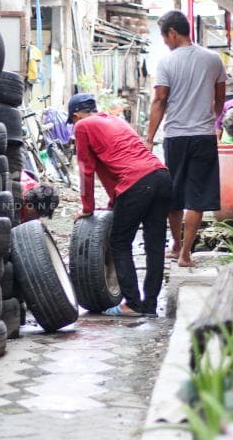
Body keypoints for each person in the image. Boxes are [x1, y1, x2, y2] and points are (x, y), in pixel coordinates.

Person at [69, 92, 171, 317]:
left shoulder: (83, 126)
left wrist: (87, 208)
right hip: (161, 176)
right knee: (154, 246)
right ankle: (150, 306)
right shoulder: (116, 120)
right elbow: (113, 168)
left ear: (76, 116)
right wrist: (114, 202)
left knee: (120, 243)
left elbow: (87, 169)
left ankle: (133, 304)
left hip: (138, 183)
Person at [145, 10, 227, 268]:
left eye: (165, 37)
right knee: (197, 196)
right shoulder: (214, 59)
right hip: (203, 136)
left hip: (176, 137)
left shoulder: (166, 63)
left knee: (175, 194)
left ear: (172, 32)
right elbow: (220, 98)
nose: (166, 43)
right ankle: (185, 254)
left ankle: (177, 244)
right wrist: (214, 121)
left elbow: (160, 99)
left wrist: (149, 138)